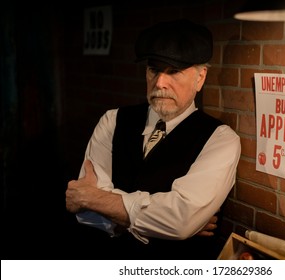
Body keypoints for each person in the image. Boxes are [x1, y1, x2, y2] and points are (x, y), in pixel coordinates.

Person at [65, 19, 241, 260]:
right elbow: (90, 216)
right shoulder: (113, 120)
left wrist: (95, 198)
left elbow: (181, 220)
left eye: (174, 72)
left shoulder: (220, 139)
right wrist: (163, 223)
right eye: (153, 69)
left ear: (200, 78)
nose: (159, 83)